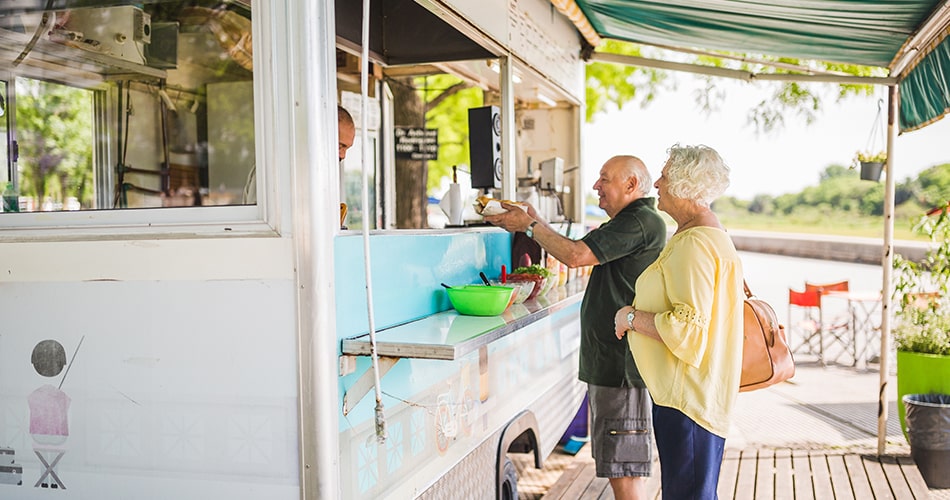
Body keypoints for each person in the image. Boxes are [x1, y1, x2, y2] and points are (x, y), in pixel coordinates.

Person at [485, 155, 666, 499]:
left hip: (621, 367)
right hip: (612, 364)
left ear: (631, 185)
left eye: (604, 178)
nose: (596, 186)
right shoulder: (632, 219)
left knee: (625, 471)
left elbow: (576, 255)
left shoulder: (639, 220)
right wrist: (532, 218)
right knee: (618, 467)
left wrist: (530, 226)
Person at [613, 144, 744, 499]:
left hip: (688, 402)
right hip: (694, 396)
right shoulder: (707, 234)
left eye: (665, 176)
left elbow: (688, 329)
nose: (657, 183)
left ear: (685, 186)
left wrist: (629, 317)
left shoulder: (695, 244)